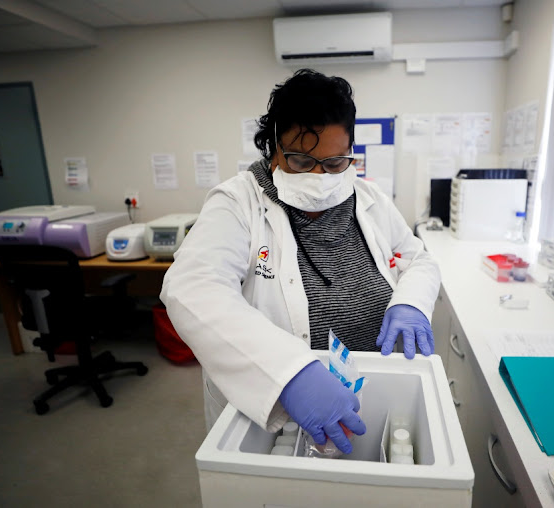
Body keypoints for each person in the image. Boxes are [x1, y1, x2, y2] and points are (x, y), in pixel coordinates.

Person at [160, 69, 440, 454]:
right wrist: (288, 374)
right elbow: (192, 287)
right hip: (283, 407)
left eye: (335, 162)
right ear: (274, 147)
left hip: (371, 390)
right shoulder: (238, 202)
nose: (320, 176)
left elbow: (418, 259)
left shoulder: (368, 196)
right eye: (302, 161)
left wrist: (411, 303)